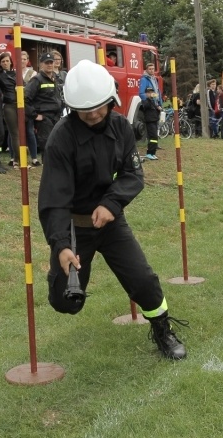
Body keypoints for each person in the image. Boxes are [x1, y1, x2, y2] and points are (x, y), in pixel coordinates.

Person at [38, 60, 187, 360]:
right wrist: (61, 246)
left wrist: (111, 203)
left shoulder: (121, 127)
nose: (93, 114)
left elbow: (133, 175)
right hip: (74, 229)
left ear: (111, 100)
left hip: (111, 223)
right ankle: (58, 277)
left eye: (98, 107)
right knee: (67, 302)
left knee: (143, 280)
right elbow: (54, 198)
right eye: (85, 110)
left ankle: (163, 330)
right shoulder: (60, 139)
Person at [25, 52, 62, 154]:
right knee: (47, 146)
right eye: (47, 63)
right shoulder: (37, 80)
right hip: (45, 119)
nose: (49, 65)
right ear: (41, 64)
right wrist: (34, 115)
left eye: (51, 62)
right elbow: (25, 99)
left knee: (56, 146)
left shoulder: (55, 79)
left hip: (56, 117)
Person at [0, 52, 20, 169]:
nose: (5, 63)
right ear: (0, 64)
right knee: (15, 133)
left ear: (11, 62)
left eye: (7, 61)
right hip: (9, 105)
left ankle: (17, 159)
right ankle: (19, 160)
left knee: (23, 132)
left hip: (20, 105)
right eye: (3, 61)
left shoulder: (16, 74)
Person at [19, 51, 41, 166]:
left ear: (27, 60)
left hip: (28, 106)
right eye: (20, 59)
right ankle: (14, 158)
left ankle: (34, 158)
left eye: (24, 59)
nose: (22, 61)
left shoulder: (33, 73)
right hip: (15, 106)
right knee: (14, 133)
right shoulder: (13, 72)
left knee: (30, 131)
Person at [138, 86, 161, 160]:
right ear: (146, 94)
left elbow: (155, 112)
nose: (151, 93)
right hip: (150, 122)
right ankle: (149, 153)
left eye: (152, 92)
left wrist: (158, 109)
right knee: (152, 137)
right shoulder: (145, 101)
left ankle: (153, 153)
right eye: (149, 92)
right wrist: (149, 98)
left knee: (155, 138)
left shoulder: (153, 102)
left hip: (154, 121)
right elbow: (145, 107)